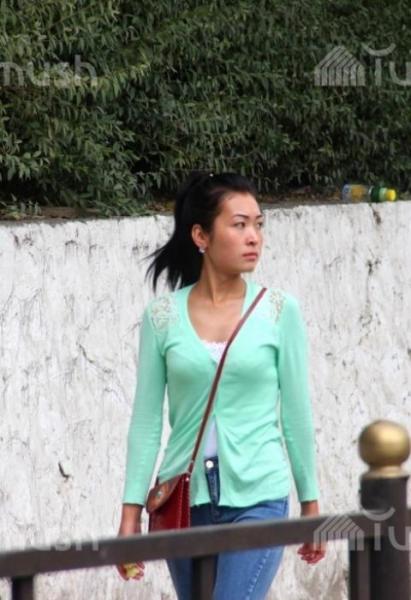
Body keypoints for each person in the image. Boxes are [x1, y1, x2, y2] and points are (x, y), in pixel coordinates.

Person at [116, 172, 326, 599]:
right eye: (239, 224)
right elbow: (146, 421)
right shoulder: (161, 317)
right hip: (183, 499)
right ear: (201, 236)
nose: (254, 237)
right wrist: (130, 513)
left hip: (259, 496)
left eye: (258, 225)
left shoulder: (279, 311)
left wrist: (311, 503)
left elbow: (296, 413)